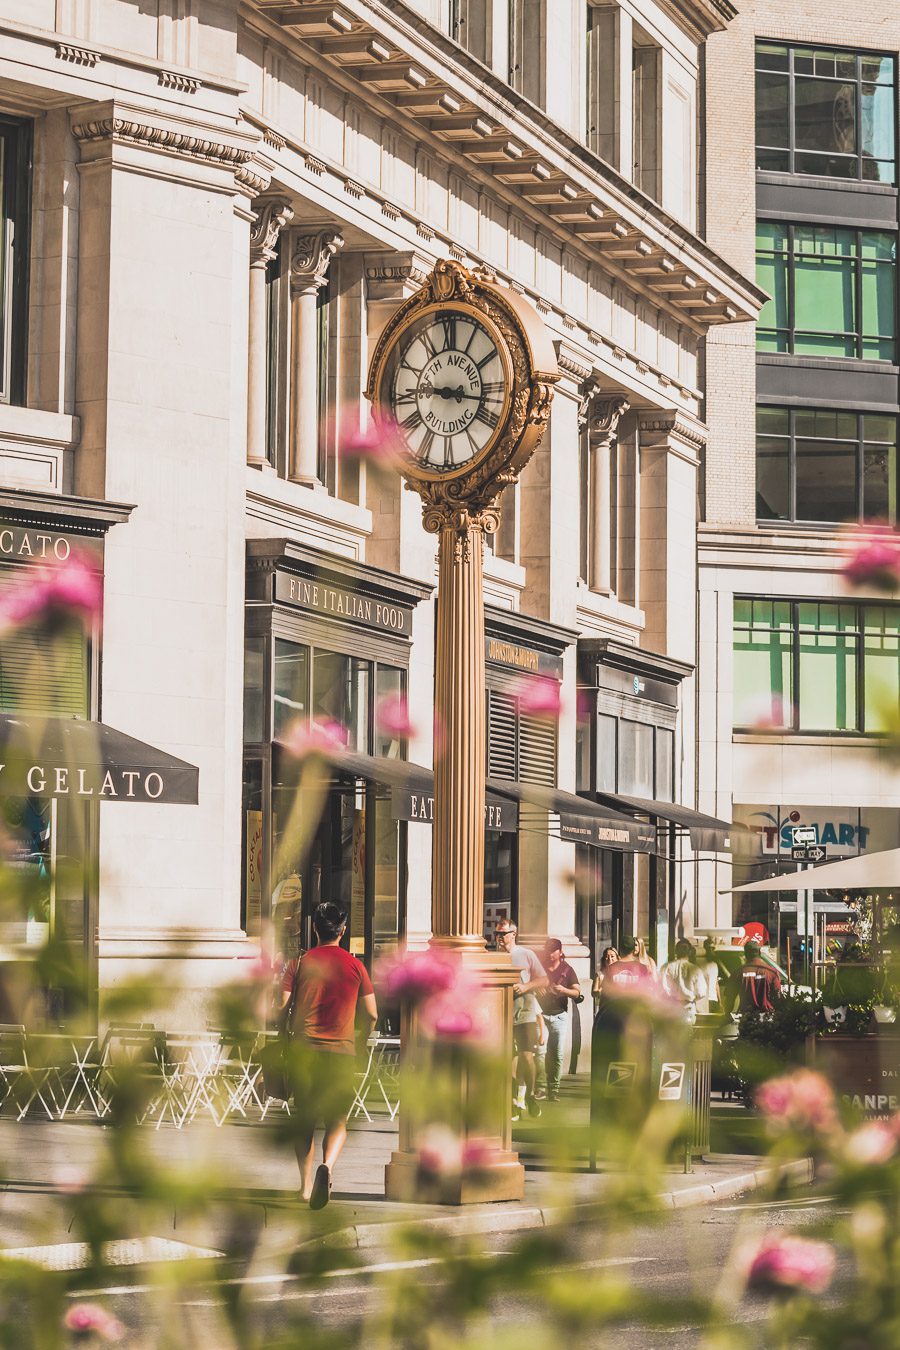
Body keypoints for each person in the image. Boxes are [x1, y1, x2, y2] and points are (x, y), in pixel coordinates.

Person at [281, 901, 377, 1209]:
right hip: (341, 1052)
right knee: (337, 1119)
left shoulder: (299, 964)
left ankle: (305, 1186)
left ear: (314, 928)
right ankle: (329, 1166)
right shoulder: (356, 965)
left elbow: (280, 1007)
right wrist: (359, 1038)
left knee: (304, 1120)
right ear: (343, 930)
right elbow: (372, 1014)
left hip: (305, 1050)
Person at [496, 919, 547, 1120]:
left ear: (513, 934)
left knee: (527, 1056)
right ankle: (514, 1101)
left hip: (525, 1009)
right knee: (508, 1059)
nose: (499, 938)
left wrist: (526, 987)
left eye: (503, 934)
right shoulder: (494, 957)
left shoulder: (526, 954)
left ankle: (531, 1095)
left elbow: (543, 979)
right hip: (504, 1012)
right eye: (497, 933)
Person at [535, 938, 582, 1102]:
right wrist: (537, 987)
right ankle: (540, 1088)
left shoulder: (567, 970)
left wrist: (563, 990)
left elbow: (577, 992)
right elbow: (528, 980)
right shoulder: (539, 967)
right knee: (540, 1052)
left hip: (559, 1015)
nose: (550, 953)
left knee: (557, 1054)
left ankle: (553, 1089)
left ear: (560, 952)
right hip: (540, 1015)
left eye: (553, 950)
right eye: (548, 949)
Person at [729, 939, 782, 1014]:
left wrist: (727, 1014)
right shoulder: (771, 972)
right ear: (760, 952)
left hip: (747, 1018)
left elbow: (729, 998)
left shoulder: (738, 972)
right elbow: (778, 996)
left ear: (746, 953)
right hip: (767, 1018)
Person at [662, 939, 708, 1024]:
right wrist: (692, 997)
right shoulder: (695, 969)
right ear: (689, 952)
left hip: (672, 1008)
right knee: (687, 1035)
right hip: (689, 1008)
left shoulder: (667, 968)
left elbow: (662, 987)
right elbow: (701, 992)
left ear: (676, 951)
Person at [697, 937, 721, 1014]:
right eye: (709, 948)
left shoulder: (715, 965)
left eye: (712, 948)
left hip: (714, 1000)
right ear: (705, 949)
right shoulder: (700, 963)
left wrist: (720, 1002)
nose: (711, 951)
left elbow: (716, 983)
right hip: (703, 1000)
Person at [592, 946, 619, 1011]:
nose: (609, 959)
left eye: (612, 956)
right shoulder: (600, 974)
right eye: (607, 956)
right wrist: (600, 991)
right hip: (605, 1008)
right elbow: (593, 992)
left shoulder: (621, 973)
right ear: (604, 959)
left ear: (617, 958)